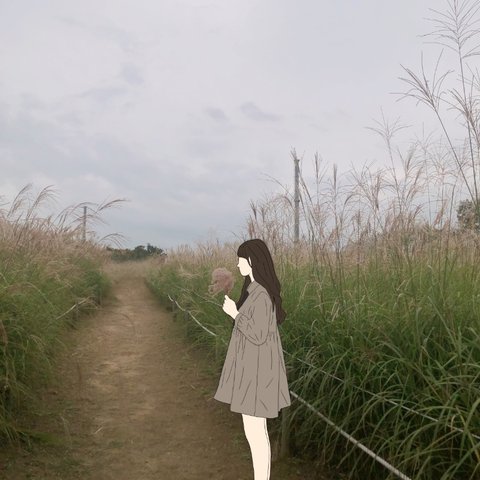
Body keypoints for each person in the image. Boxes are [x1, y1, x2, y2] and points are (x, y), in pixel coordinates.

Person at [214, 238, 291, 480]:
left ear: (251, 261)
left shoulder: (262, 295)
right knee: (254, 430)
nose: (238, 265)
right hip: (253, 368)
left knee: (256, 431)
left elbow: (257, 334)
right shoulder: (253, 291)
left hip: (258, 373)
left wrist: (235, 314)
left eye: (240, 260)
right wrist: (236, 312)